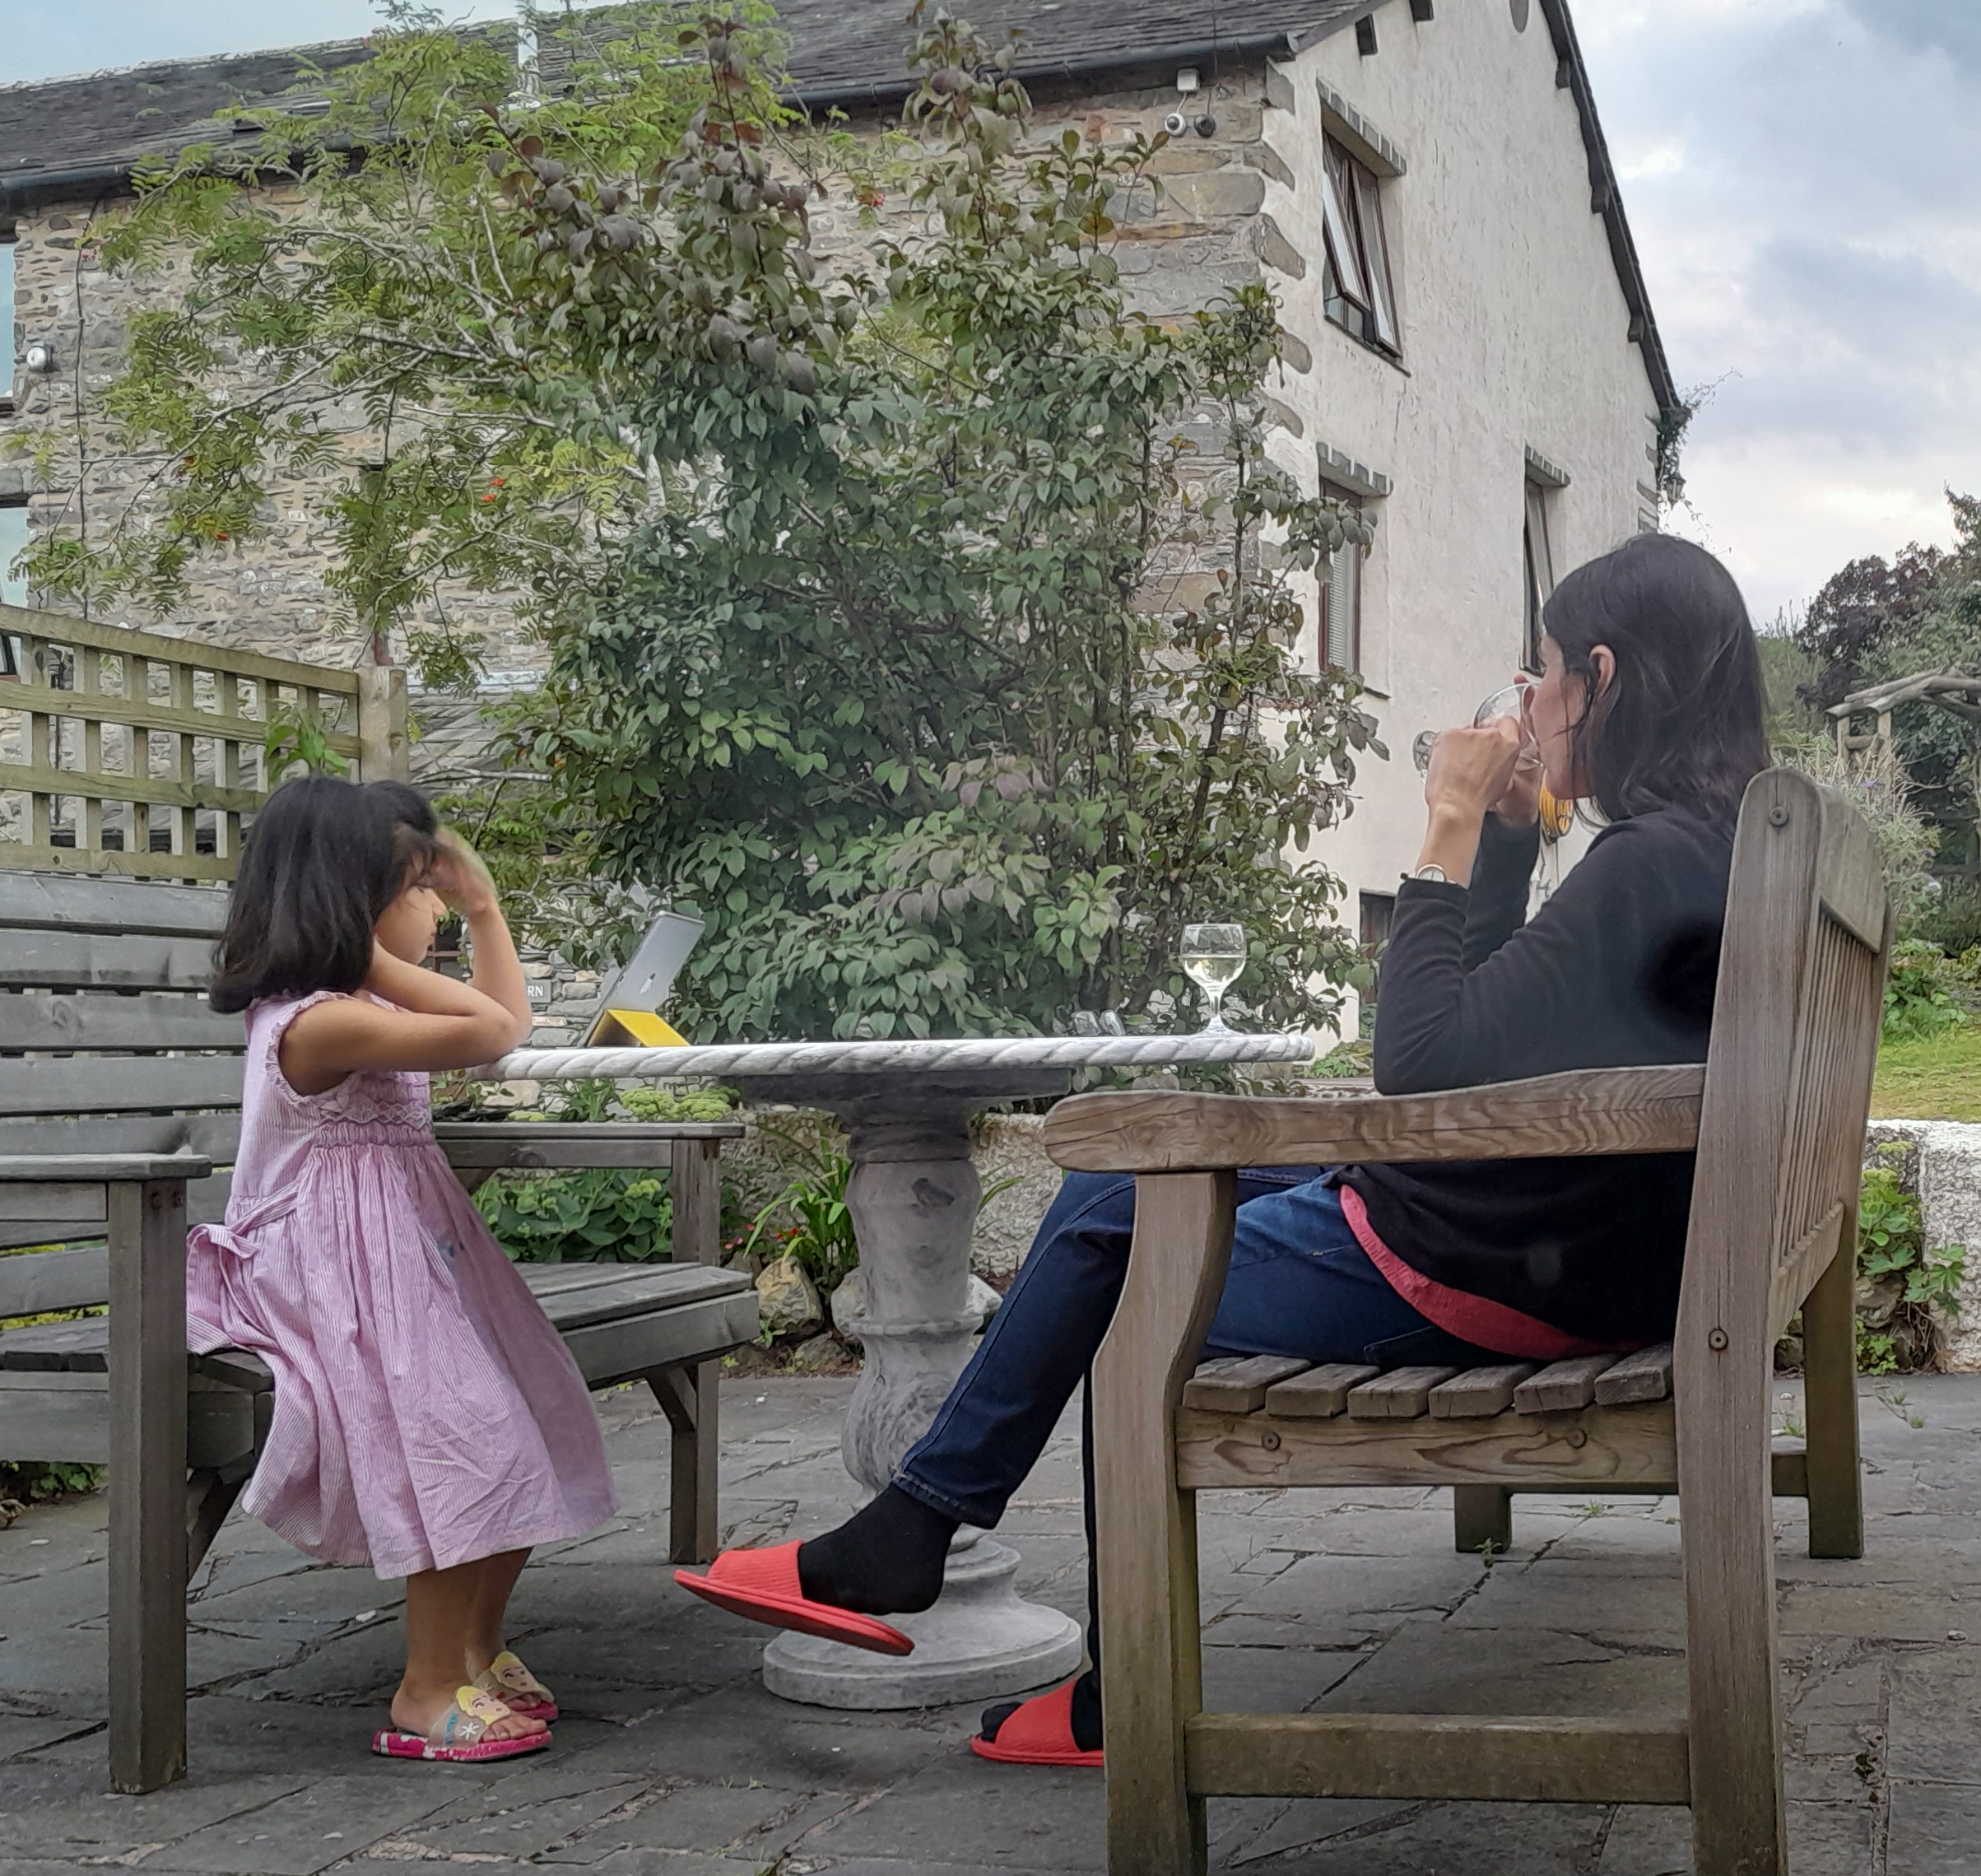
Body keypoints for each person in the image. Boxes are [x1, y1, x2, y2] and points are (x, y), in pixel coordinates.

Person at [678, 532, 1771, 1762]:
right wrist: (1514, 838)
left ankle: (1024, 1618)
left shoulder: (1646, 862)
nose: (1534, 700)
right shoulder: (1710, 849)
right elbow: (1493, 1042)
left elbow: (1421, 1056)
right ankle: (934, 1537)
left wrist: (1451, 817)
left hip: (1486, 1268)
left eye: (1547, 672)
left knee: (1126, 1273)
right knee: (1114, 1187)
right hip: (1576, 1248)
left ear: (1603, 677)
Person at [193, 775, 616, 1763]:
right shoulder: (318, 1020)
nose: (439, 905)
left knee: (530, 1408)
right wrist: (459, 917)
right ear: (351, 904)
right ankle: (426, 1688)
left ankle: (471, 1649)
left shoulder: (363, 998)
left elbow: (489, 1026)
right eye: (419, 887)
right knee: (466, 1431)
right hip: (322, 1277)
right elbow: (496, 1029)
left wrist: (454, 916)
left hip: (403, 1258)